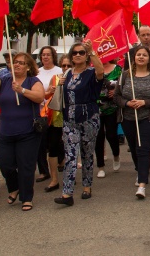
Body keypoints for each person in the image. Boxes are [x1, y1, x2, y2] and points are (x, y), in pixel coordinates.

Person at [0, 53, 45, 211]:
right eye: (15, 62)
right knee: (5, 164)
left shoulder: (33, 81)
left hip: (28, 132)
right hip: (7, 132)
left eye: (21, 63)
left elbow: (39, 97)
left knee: (26, 166)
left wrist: (22, 90)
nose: (17, 65)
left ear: (28, 66)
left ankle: (26, 197)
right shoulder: (4, 81)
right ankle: (14, 187)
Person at [53, 40, 104, 206]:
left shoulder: (90, 72)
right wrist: (59, 85)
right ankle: (67, 193)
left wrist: (92, 52)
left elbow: (101, 71)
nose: (77, 55)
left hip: (89, 117)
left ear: (86, 55)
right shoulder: (67, 74)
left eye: (81, 52)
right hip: (69, 119)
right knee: (71, 156)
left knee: (87, 153)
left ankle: (87, 185)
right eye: (74, 53)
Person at [114, 45, 150, 199]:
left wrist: (145, 102)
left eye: (144, 55)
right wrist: (127, 103)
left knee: (143, 148)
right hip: (128, 118)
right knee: (134, 147)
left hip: (149, 117)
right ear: (134, 58)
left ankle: (142, 185)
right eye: (138, 55)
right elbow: (116, 97)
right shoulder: (125, 76)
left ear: (149, 58)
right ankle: (140, 170)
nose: (141, 57)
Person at [42, 55, 70, 192]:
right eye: (64, 65)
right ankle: (54, 179)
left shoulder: (77, 77)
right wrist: (49, 92)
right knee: (52, 147)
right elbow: (47, 96)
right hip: (56, 116)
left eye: (68, 65)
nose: (66, 68)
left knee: (70, 147)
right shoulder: (56, 77)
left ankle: (70, 177)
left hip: (71, 117)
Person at [34, 46, 61, 184]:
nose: (45, 57)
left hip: (55, 112)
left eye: (48, 55)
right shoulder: (36, 73)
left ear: (53, 56)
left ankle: (59, 165)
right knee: (40, 143)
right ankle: (43, 171)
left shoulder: (59, 71)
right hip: (39, 111)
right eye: (43, 55)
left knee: (55, 142)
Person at [95, 59, 122, 178]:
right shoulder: (92, 69)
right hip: (95, 108)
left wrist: (116, 91)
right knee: (98, 136)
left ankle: (116, 155)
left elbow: (124, 85)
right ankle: (100, 166)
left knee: (111, 135)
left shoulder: (118, 69)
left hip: (112, 107)